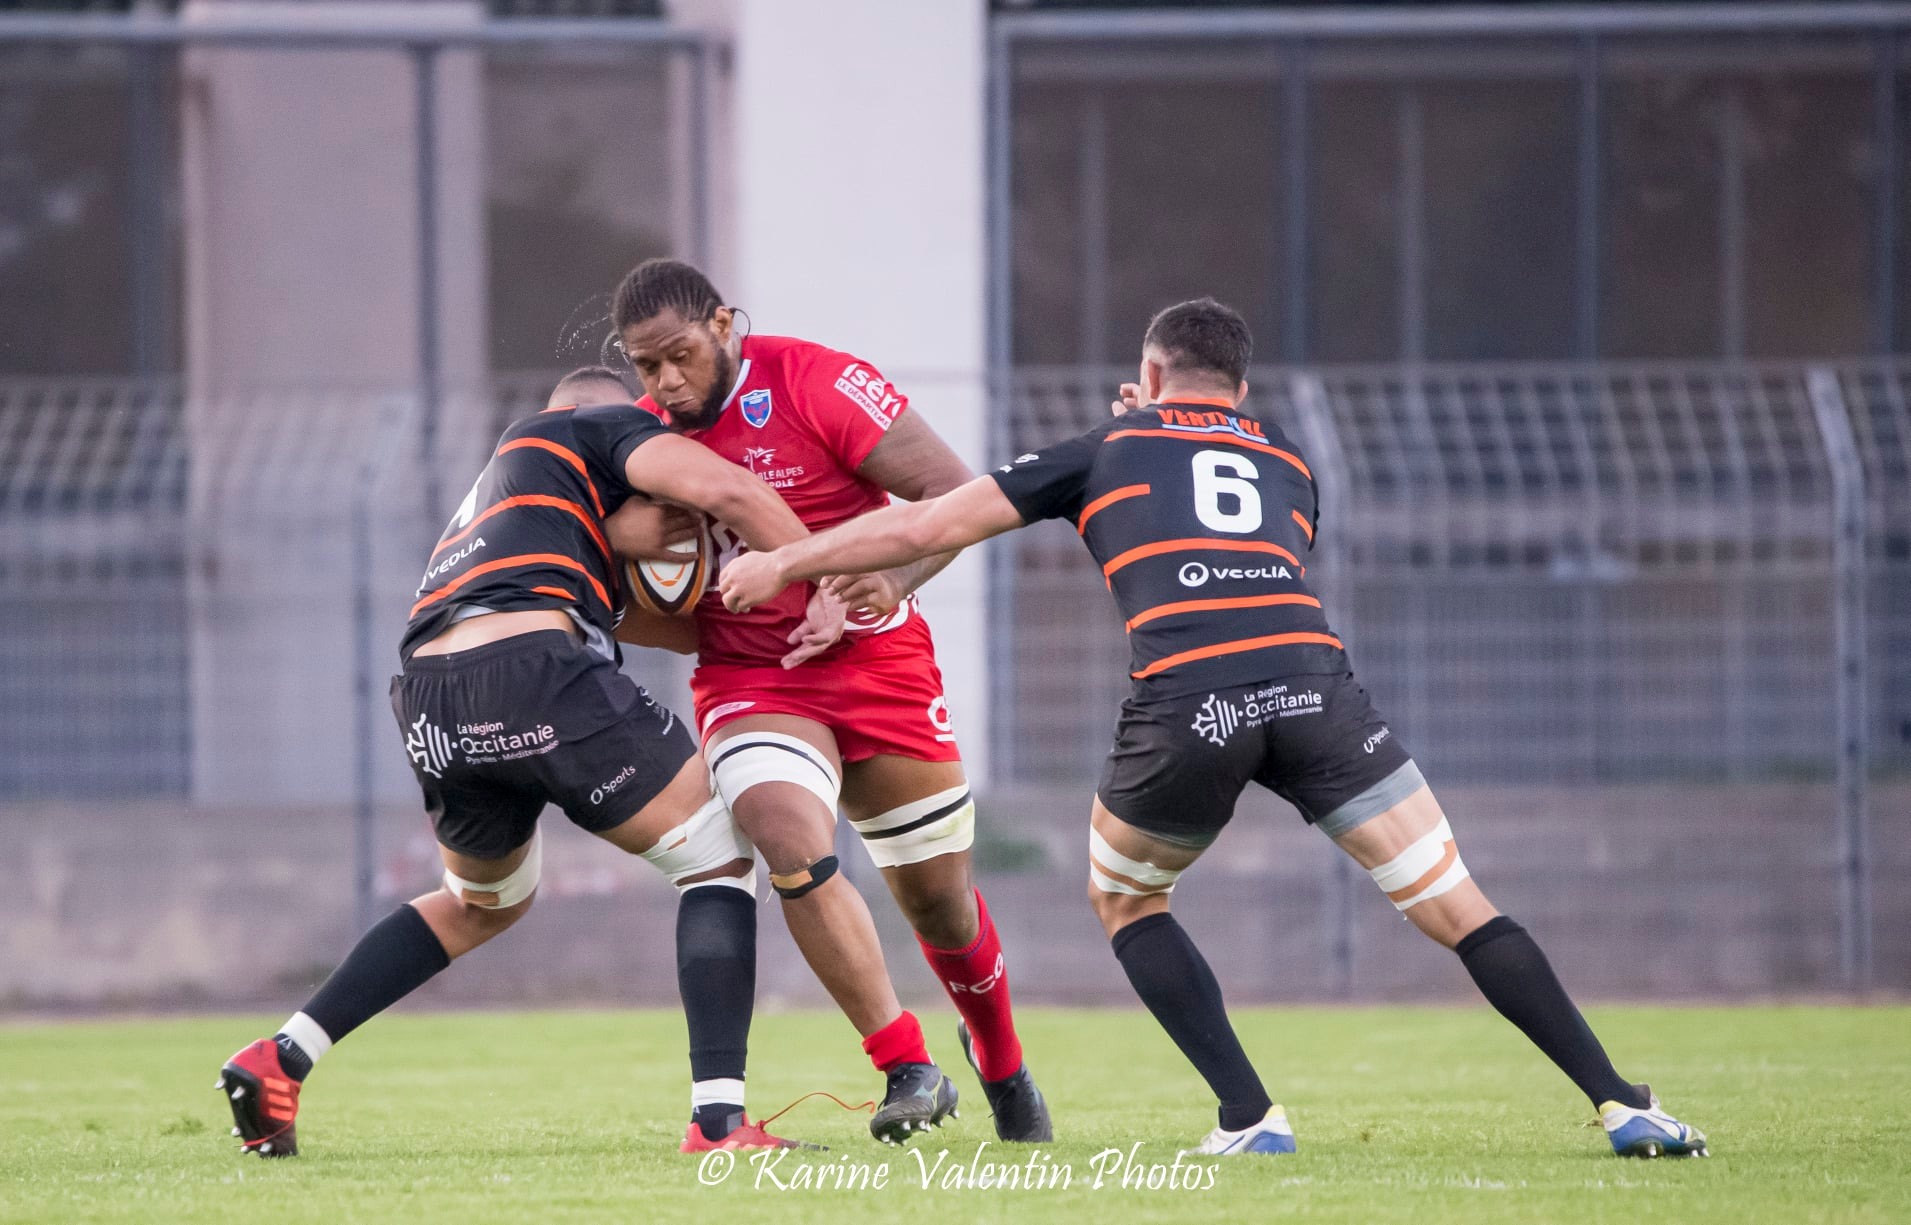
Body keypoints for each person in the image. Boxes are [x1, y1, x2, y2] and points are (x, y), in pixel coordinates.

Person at [716, 297, 1711, 1161]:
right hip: (1315, 687)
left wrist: (784, 563)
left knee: (1127, 897)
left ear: (1149, 374)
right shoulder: (1289, 460)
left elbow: (928, 524)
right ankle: (1624, 1102)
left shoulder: (1104, 448)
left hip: (1193, 699)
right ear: (1240, 385)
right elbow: (1228, 513)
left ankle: (1249, 1114)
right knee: (1455, 901)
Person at [216, 366, 834, 1158]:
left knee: (482, 900)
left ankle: (281, 1056)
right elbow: (729, 490)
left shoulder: (505, 502)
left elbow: (630, 601)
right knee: (717, 856)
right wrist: (824, 574)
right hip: (530, 669)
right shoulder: (593, 423)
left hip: (431, 695)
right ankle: (718, 1122)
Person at [602, 258, 1049, 1144]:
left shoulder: (815, 380)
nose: (667, 381)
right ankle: (906, 1063)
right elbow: (631, 599)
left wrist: (889, 578)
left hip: (878, 661)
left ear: (724, 324)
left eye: (680, 354)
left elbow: (957, 498)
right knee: (783, 834)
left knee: (939, 902)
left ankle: (1000, 1059)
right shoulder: (643, 442)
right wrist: (644, 592)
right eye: (645, 365)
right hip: (752, 678)